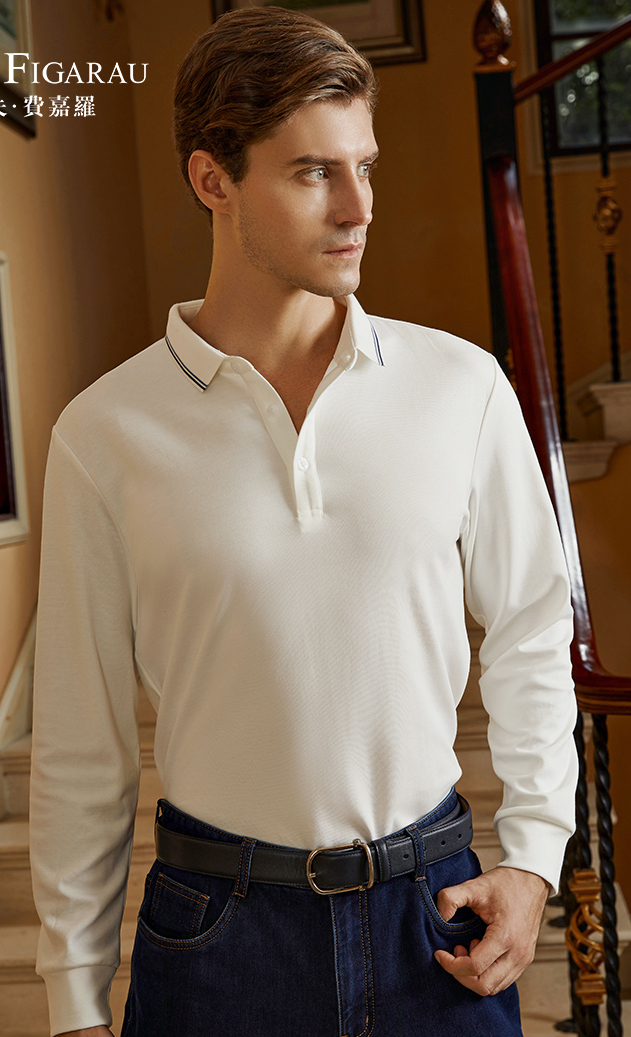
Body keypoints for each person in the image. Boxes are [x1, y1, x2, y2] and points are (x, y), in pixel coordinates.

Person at [29, 7, 578, 1037]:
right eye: (314, 172)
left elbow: (532, 628)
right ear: (214, 180)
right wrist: (72, 996)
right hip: (218, 942)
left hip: (435, 921)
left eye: (364, 166)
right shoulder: (103, 434)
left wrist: (536, 855)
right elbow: (78, 738)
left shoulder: (461, 387)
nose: (359, 205)